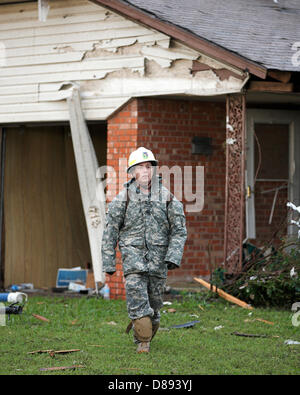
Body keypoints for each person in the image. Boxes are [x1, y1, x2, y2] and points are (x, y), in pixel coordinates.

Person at [101, 147, 187, 353]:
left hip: (158, 263)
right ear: (132, 172)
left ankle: (146, 332)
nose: (146, 171)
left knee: (154, 308)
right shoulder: (123, 199)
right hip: (133, 261)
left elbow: (179, 230)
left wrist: (173, 256)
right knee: (138, 301)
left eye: (149, 167)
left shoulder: (167, 198)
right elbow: (110, 232)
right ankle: (143, 343)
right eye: (141, 167)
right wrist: (109, 262)